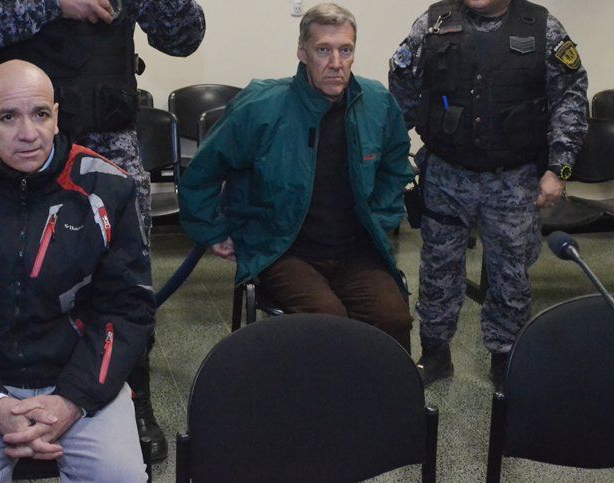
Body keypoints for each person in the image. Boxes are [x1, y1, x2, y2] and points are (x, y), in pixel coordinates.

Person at [0, 0, 204, 462]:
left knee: (125, 283)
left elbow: (184, 36)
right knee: (11, 273)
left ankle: (134, 396)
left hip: (107, 141)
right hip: (19, 142)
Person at [0, 60, 154, 482]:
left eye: (40, 114)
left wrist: (72, 400)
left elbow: (127, 310)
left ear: (56, 116)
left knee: (121, 476)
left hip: (82, 379)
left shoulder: (109, 188)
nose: (28, 133)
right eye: (8, 118)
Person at [178, 3, 415, 351]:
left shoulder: (377, 103)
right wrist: (213, 231)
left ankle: (375, 388)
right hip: (284, 250)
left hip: (355, 251)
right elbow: (203, 171)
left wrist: (379, 220)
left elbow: (396, 166)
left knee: (394, 320)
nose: (336, 63)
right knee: (327, 322)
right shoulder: (261, 106)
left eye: (345, 50)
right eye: (323, 50)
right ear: (302, 52)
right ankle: (316, 387)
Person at [389, 0, 589, 387]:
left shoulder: (542, 27)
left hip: (513, 180)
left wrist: (558, 167)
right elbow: (402, 87)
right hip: (447, 175)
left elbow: (570, 97)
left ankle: (505, 357)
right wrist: (393, 153)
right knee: (437, 270)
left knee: (510, 276)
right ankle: (435, 353)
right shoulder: (434, 22)